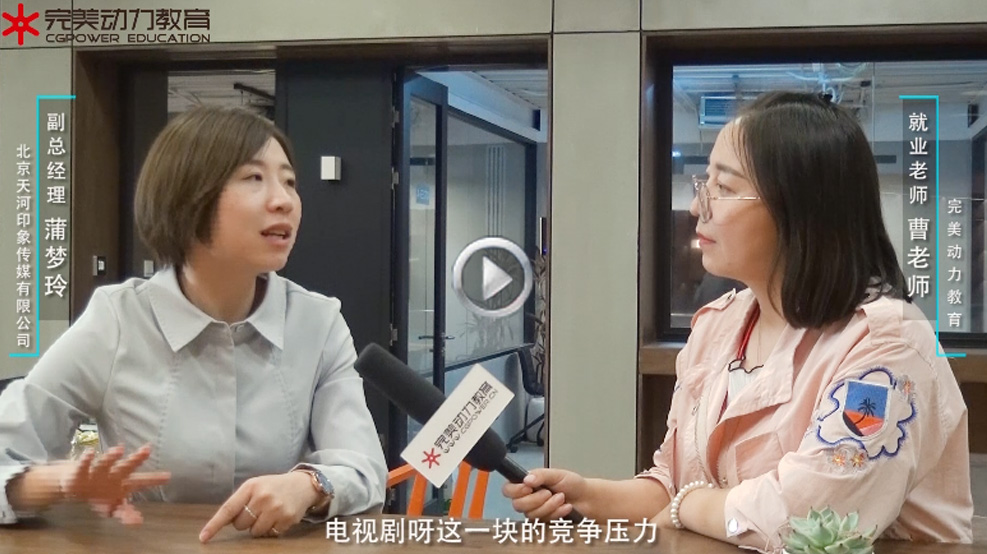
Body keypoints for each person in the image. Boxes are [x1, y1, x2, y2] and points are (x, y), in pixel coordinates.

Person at [504, 92, 973, 551]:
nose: (697, 208)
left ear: (801, 207)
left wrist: (688, 505)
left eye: (724, 189)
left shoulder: (887, 343)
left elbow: (807, 521)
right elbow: (674, 483)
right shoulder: (719, 324)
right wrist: (587, 495)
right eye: (705, 185)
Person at [0, 106, 387, 542]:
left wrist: (310, 485)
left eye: (289, 181)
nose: (283, 200)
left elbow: (364, 469)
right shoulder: (118, 319)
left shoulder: (318, 322)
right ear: (188, 197)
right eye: (254, 178)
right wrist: (60, 482)